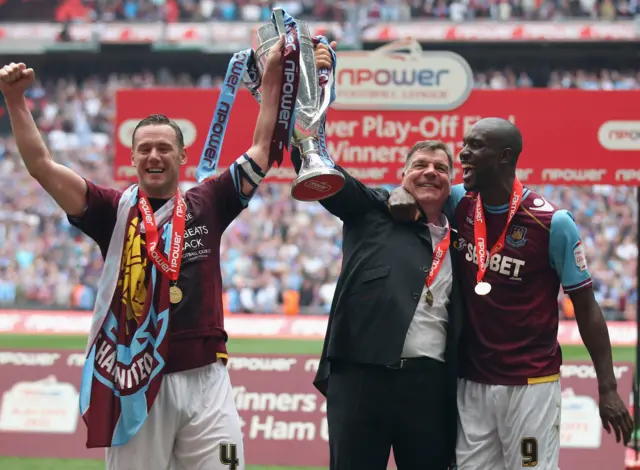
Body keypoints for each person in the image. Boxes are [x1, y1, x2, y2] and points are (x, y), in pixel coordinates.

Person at [0, 41, 329, 470]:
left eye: (164, 147)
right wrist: (14, 100)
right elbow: (42, 165)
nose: (154, 155)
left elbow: (262, 148)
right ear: (133, 157)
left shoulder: (207, 201)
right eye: (145, 148)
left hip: (206, 378)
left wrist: (272, 77)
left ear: (182, 155)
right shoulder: (110, 210)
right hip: (135, 381)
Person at [388, 117, 633, 469]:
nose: (464, 153)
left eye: (475, 146)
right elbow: (411, 191)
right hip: (471, 382)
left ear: (504, 157)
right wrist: (399, 194)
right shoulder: (458, 201)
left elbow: (586, 306)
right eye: (465, 144)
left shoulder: (552, 223)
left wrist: (608, 387)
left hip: (531, 383)